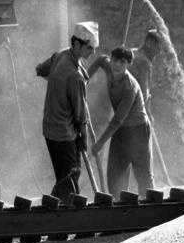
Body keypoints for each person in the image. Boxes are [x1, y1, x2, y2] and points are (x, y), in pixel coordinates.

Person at [35, 21, 99, 203]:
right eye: (89, 47)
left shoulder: (60, 55)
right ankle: (64, 210)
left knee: (64, 176)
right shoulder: (75, 76)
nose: (93, 52)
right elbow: (80, 116)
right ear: (77, 44)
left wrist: (56, 84)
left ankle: (55, 206)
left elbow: (40, 69)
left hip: (50, 129)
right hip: (64, 133)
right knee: (70, 177)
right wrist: (84, 140)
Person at [88, 46, 154, 198]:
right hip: (121, 131)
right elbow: (100, 60)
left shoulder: (129, 87)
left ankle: (150, 203)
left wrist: (99, 144)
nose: (117, 65)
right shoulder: (109, 67)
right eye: (115, 60)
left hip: (137, 130)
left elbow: (118, 119)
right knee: (114, 174)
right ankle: (120, 203)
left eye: (122, 62)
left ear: (128, 64)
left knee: (143, 175)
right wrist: (84, 80)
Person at [129, 29, 166, 110]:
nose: (159, 52)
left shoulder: (131, 52)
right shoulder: (144, 63)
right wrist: (147, 112)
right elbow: (144, 94)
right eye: (158, 47)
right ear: (149, 43)